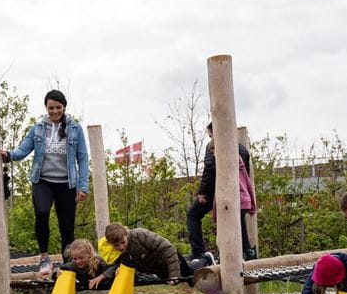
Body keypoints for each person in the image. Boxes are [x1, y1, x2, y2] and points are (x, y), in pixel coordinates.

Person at [2, 90, 90, 275]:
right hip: (43, 181)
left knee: (66, 225)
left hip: (67, 184)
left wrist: (82, 185)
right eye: (51, 108)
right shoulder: (38, 128)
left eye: (58, 107)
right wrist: (8, 155)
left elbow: (82, 158)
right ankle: (44, 257)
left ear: (64, 107)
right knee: (41, 213)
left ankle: (68, 263)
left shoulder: (75, 128)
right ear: (46, 108)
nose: (55, 111)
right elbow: (23, 150)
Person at [187, 122, 254, 262]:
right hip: (240, 194)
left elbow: (210, 169)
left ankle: (199, 252)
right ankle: (248, 252)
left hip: (218, 191)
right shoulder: (242, 149)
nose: (210, 136)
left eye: (210, 134)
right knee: (238, 219)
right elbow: (246, 175)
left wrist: (202, 191)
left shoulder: (214, 145)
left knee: (193, 214)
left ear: (215, 132)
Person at [105, 223, 210, 284]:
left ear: (126, 234)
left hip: (170, 260)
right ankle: (197, 261)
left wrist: (174, 275)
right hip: (158, 269)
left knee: (190, 277)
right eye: (116, 245)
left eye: (123, 242)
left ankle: (206, 259)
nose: (121, 247)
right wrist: (120, 269)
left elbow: (169, 248)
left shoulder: (140, 235)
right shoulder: (116, 252)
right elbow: (126, 264)